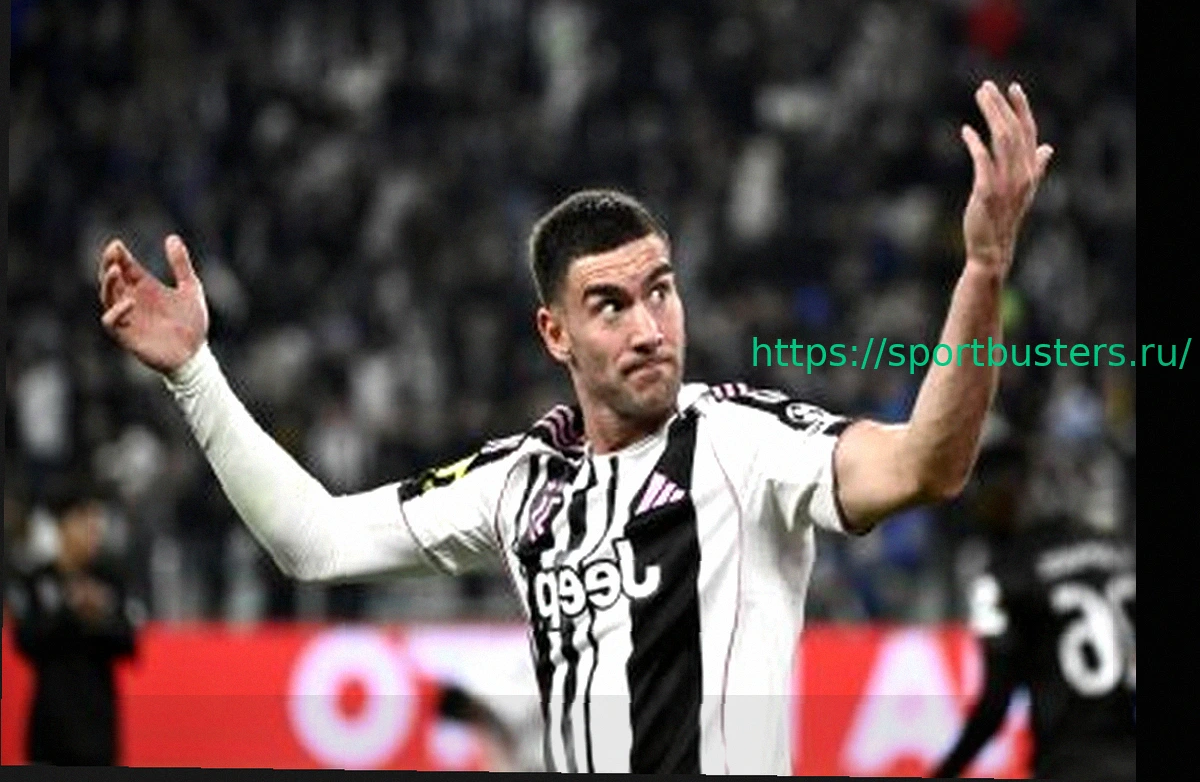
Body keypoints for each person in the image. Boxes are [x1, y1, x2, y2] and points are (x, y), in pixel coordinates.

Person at [97, 80, 1052, 774]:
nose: (649, 328)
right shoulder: (521, 483)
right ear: (555, 333)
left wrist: (982, 270)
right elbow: (316, 541)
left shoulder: (745, 442)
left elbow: (927, 465)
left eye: (661, 291)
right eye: (610, 305)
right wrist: (192, 372)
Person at [933, 448, 1136, 781]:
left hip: (1070, 762)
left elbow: (994, 706)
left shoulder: (1003, 576)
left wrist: (945, 772)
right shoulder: (1115, 550)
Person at [6, 475, 139, 766]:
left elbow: (129, 644)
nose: (93, 532)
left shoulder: (110, 580)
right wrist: (69, 610)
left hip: (99, 729)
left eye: (96, 523)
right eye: (84, 521)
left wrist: (99, 616)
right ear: (61, 525)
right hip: (50, 729)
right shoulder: (36, 581)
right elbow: (25, 641)